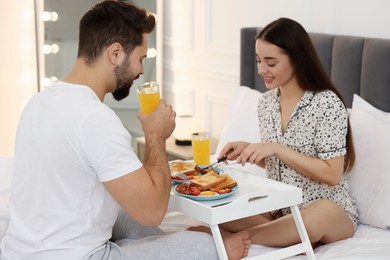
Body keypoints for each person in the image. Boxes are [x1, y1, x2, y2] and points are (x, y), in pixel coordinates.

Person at [0, 1, 250, 259]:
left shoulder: (39, 101)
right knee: (210, 245)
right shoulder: (94, 118)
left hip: (18, 251)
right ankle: (211, 247)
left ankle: (166, 241)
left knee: (123, 213)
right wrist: (156, 136)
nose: (142, 70)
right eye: (141, 59)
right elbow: (153, 211)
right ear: (116, 53)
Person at [190, 17, 358, 250]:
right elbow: (280, 166)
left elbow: (332, 174)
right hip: (281, 212)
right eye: (259, 61)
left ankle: (221, 235)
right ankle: (280, 234)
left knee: (319, 214)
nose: (261, 70)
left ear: (297, 60)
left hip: (329, 213)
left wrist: (276, 148)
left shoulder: (326, 103)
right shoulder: (266, 103)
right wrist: (252, 150)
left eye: (271, 62)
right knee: (221, 203)